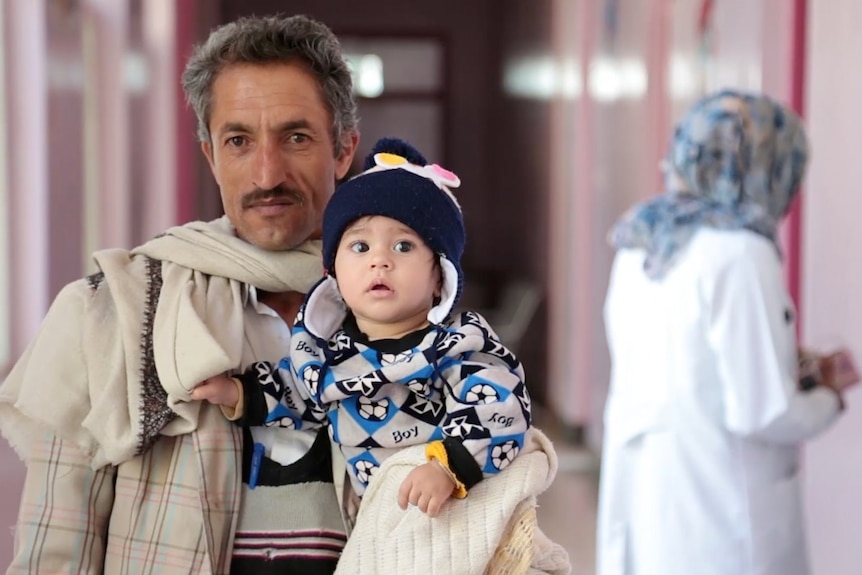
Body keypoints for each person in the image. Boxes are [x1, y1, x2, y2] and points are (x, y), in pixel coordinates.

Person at [0, 14, 359, 575]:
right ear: (212, 156)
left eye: (296, 137)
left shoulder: (400, 313)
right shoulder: (114, 313)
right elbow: (56, 549)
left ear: (342, 151)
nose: (267, 174)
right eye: (239, 141)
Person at [192, 137, 533, 520]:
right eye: (360, 247)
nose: (380, 262)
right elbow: (297, 393)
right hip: (374, 517)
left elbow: (499, 407)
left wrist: (446, 467)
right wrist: (238, 392)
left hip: (452, 502)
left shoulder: (456, 344)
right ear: (334, 272)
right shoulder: (328, 353)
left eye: (403, 247)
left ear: (440, 277)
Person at [596, 89, 854, 575]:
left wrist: (785, 362)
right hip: (720, 513)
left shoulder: (643, 240)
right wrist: (829, 396)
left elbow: (678, 363)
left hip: (646, 497)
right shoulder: (741, 252)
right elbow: (763, 409)